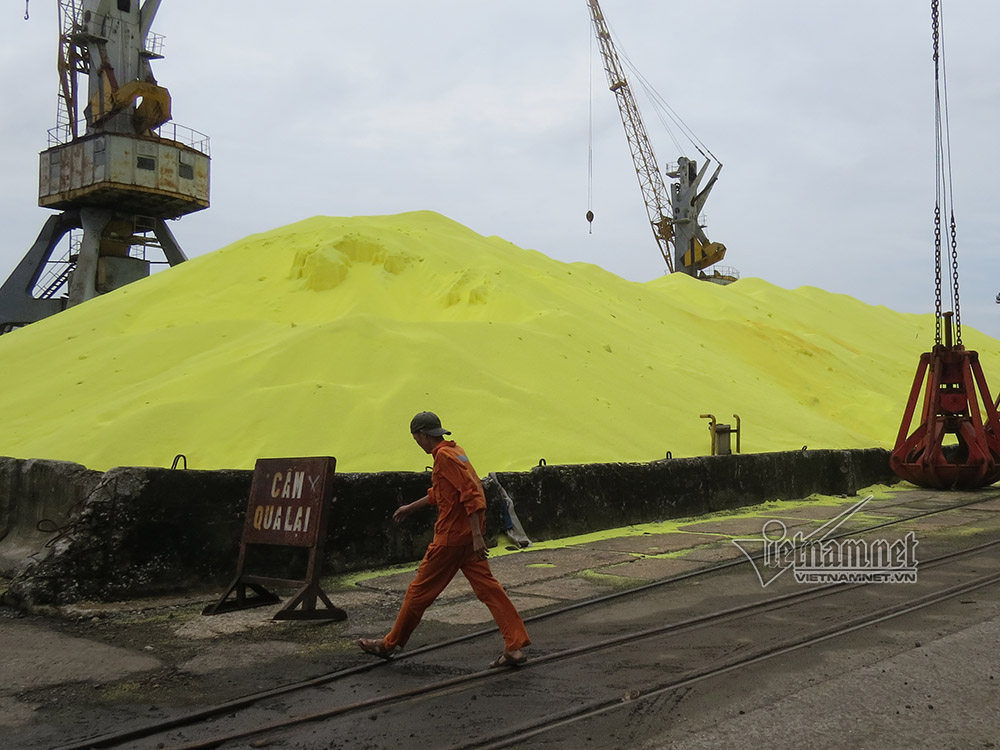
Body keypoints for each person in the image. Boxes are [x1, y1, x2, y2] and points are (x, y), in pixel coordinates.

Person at [358, 411, 530, 668]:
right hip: (467, 542)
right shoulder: (455, 451)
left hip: (451, 541)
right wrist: (410, 507)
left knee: (418, 593)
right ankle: (514, 646)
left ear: (422, 435)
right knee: (490, 591)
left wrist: (476, 537)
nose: (417, 442)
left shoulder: (444, 458)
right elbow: (443, 493)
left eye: (416, 437)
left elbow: (472, 495)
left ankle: (389, 645)